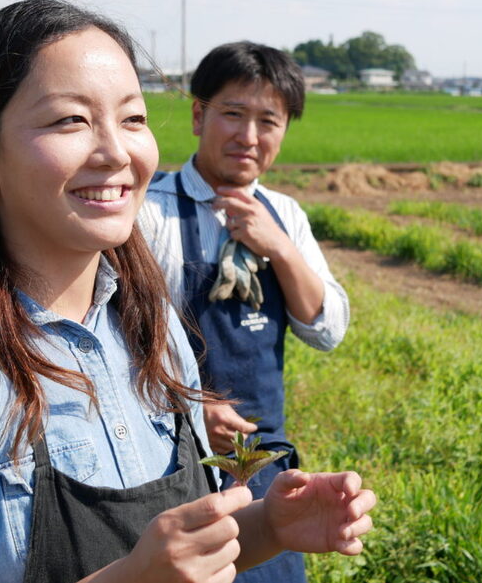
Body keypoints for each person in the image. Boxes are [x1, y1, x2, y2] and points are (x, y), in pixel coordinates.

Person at [0, 0, 375, 583]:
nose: (117, 152)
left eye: (133, 119)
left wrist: (270, 526)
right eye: (71, 120)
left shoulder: (153, 326)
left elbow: (181, 553)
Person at [139, 42, 350, 582]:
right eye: (232, 114)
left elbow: (327, 328)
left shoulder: (285, 214)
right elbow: (119, 336)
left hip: (262, 460)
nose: (248, 136)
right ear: (197, 115)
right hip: (169, 453)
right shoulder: (149, 210)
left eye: (268, 121)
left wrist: (277, 246)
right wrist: (186, 406)